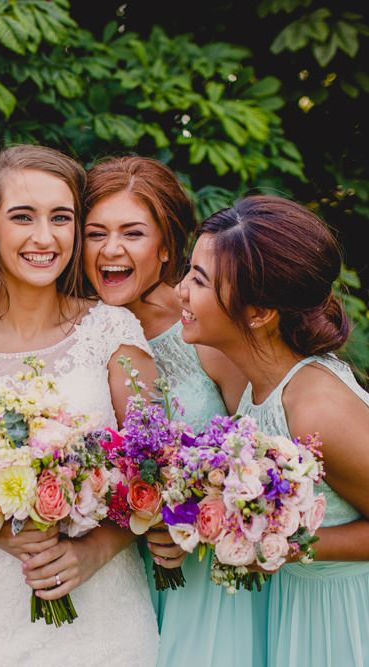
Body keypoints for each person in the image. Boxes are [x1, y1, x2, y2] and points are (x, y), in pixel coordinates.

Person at [0, 145, 159, 666]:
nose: (44, 238)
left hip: (105, 617)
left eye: (61, 218)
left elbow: (152, 467)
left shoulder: (113, 333)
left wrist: (93, 551)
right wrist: (3, 533)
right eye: (23, 217)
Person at [82, 157, 265, 666]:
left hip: (200, 577)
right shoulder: (66, 331)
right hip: (104, 583)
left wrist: (202, 519)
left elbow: (254, 449)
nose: (111, 249)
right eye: (96, 233)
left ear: (165, 247)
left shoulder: (206, 327)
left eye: (132, 233)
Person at [178, 194, 369, 667]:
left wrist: (273, 540)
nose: (181, 290)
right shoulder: (252, 375)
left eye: (199, 281)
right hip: (293, 607)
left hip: (344, 614)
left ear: (260, 312)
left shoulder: (315, 407)